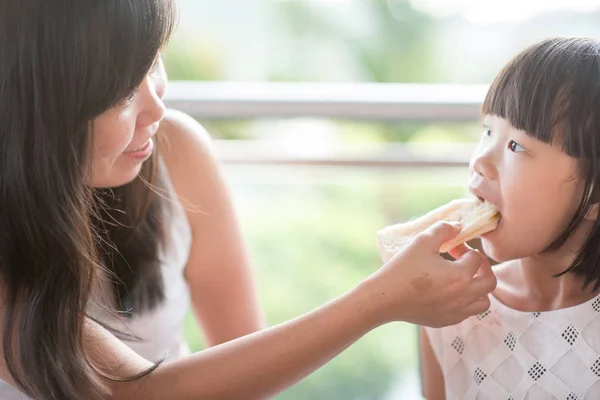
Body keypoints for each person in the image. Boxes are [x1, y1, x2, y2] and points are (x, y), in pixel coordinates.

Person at [0, 1, 496, 399]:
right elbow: (132, 394)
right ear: (38, 109)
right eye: (122, 94)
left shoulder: (176, 150)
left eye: (152, 63)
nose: (156, 105)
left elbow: (245, 366)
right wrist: (380, 300)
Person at [420, 37, 600, 400]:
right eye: (488, 130)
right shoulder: (446, 312)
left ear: (593, 192)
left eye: (516, 145)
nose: (479, 161)